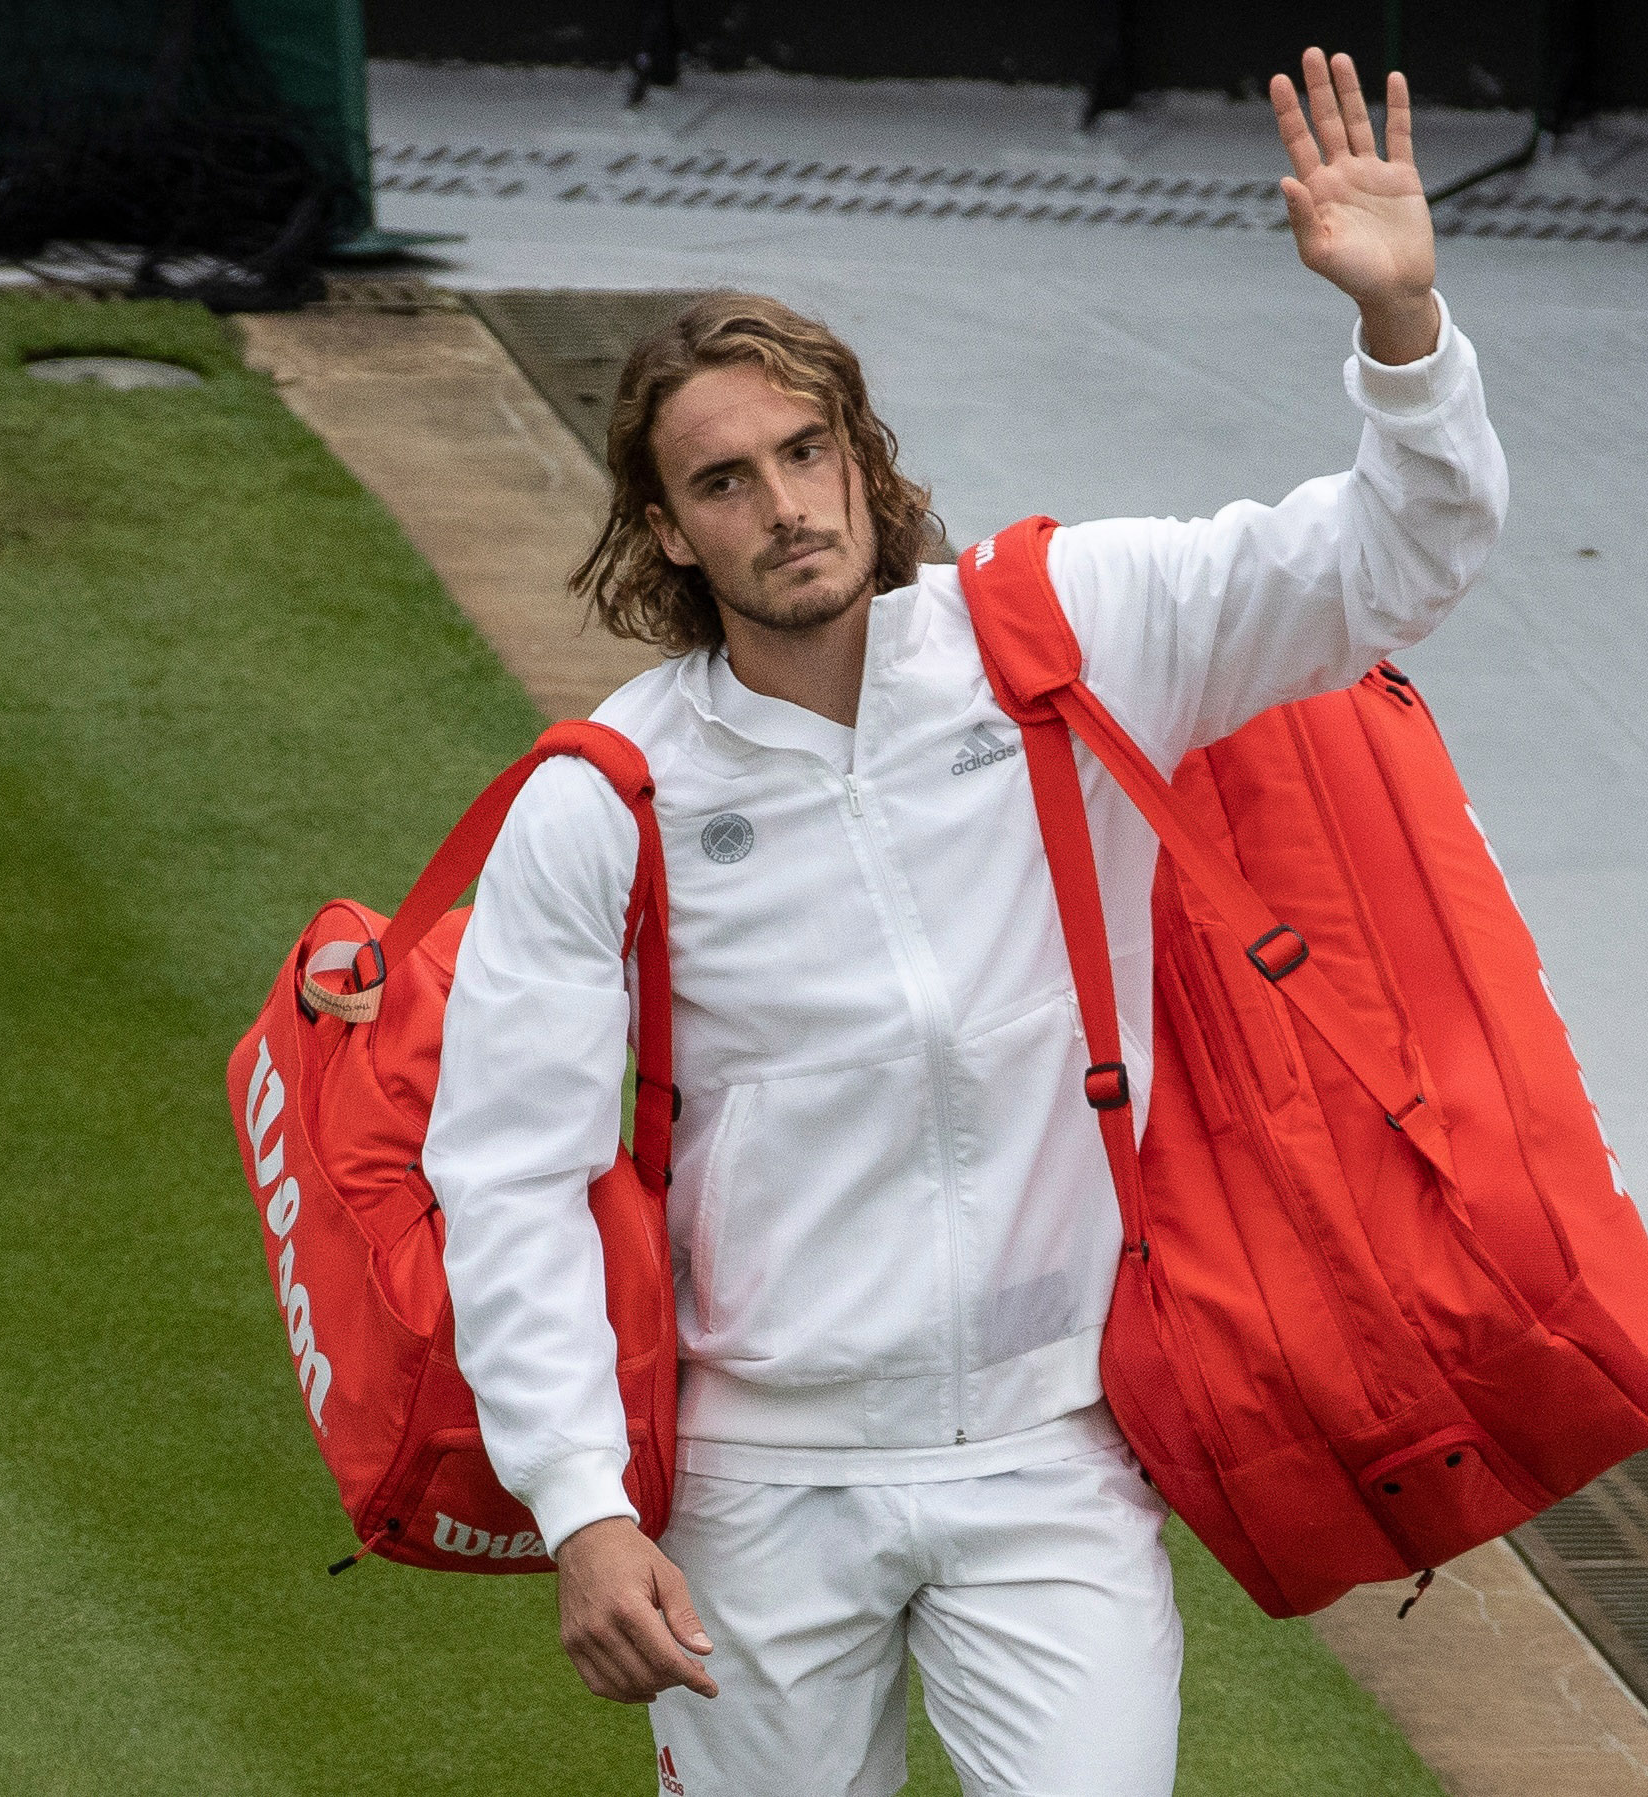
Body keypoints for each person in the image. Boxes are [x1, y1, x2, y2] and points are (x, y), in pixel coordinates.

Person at [423, 47, 1507, 1797]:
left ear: (862, 450)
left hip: (1052, 1458)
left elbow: (1394, 563)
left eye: (806, 449)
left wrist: (1401, 324)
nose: (783, 505)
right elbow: (510, 1170)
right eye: (724, 482)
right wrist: (582, 1508)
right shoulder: (599, 798)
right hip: (753, 1488)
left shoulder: (1065, 636)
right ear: (664, 532)